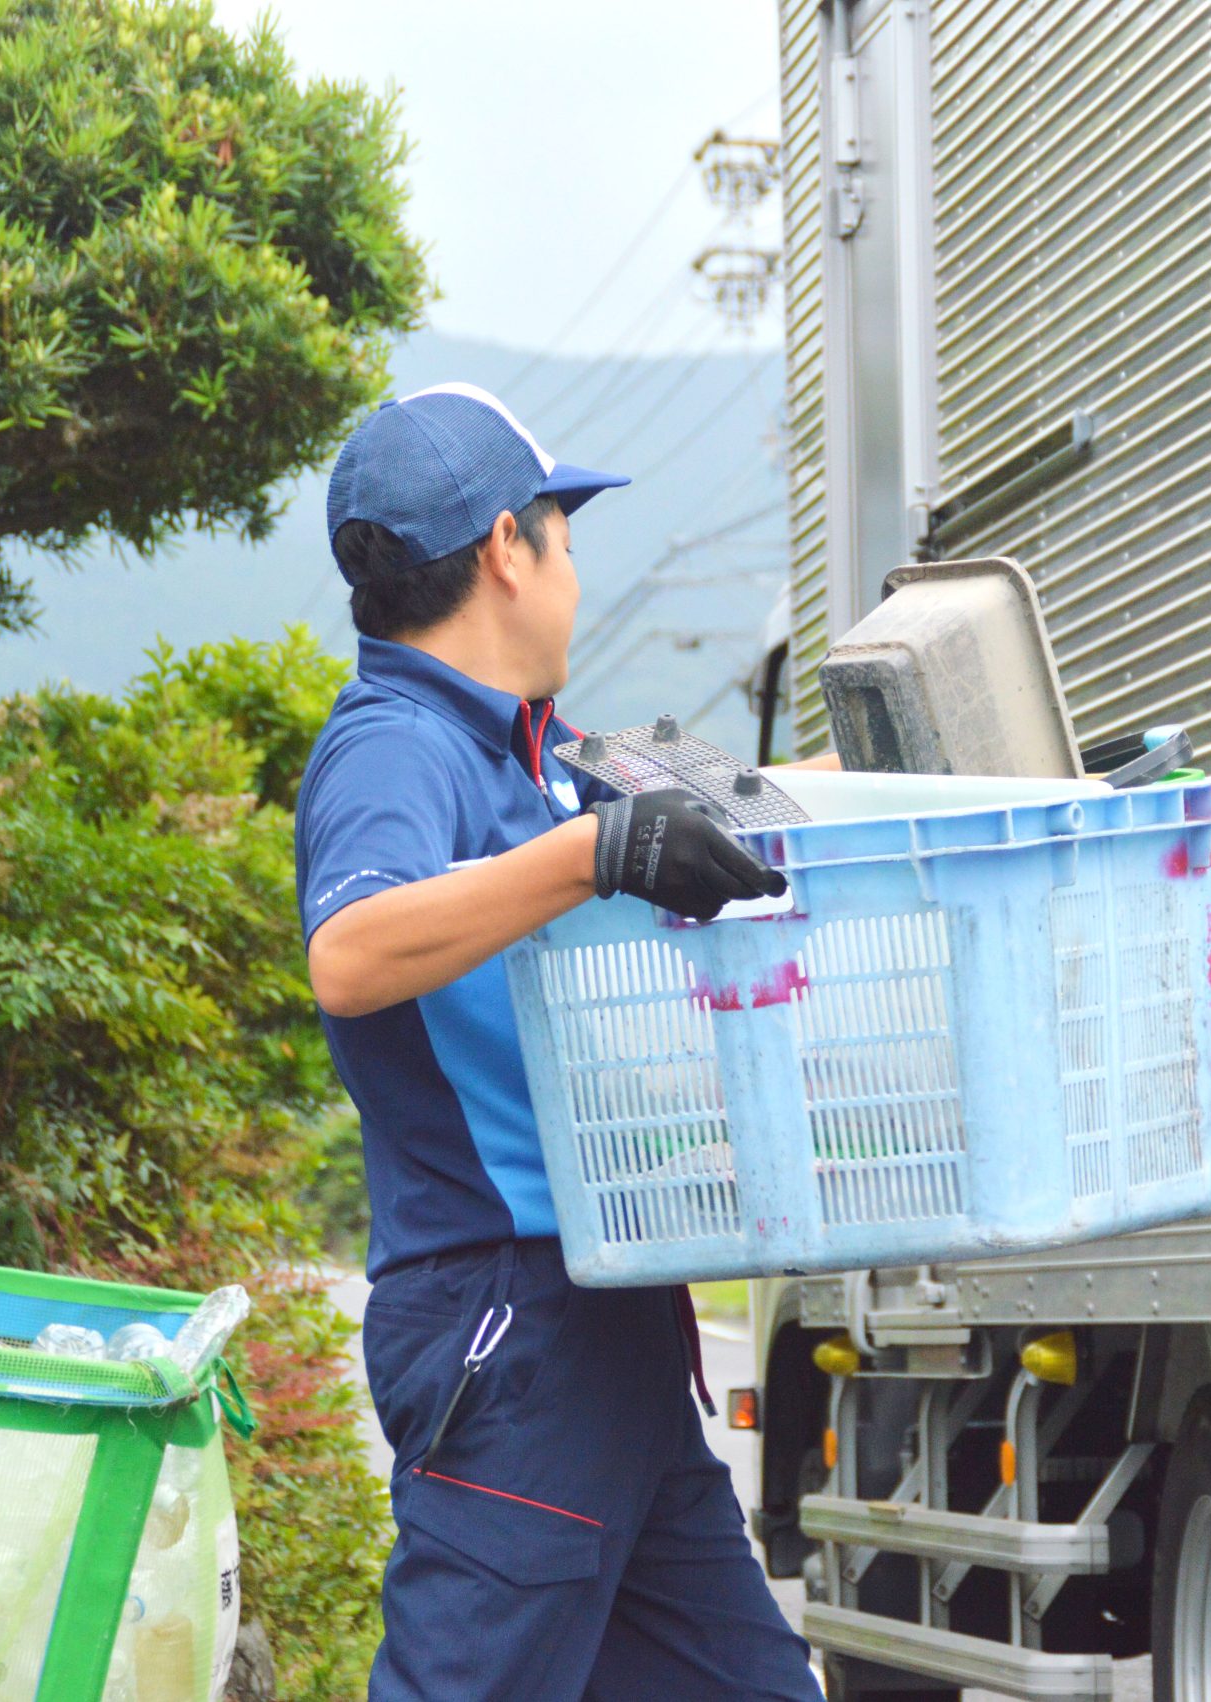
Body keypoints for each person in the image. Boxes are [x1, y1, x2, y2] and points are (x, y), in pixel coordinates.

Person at [292, 382, 816, 1702]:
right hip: (509, 1322)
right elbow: (350, 954)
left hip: (607, 1319)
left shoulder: (531, 756)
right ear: (504, 551)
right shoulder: (393, 746)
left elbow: (742, 825)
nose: (576, 574)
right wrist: (593, 852)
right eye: (565, 538)